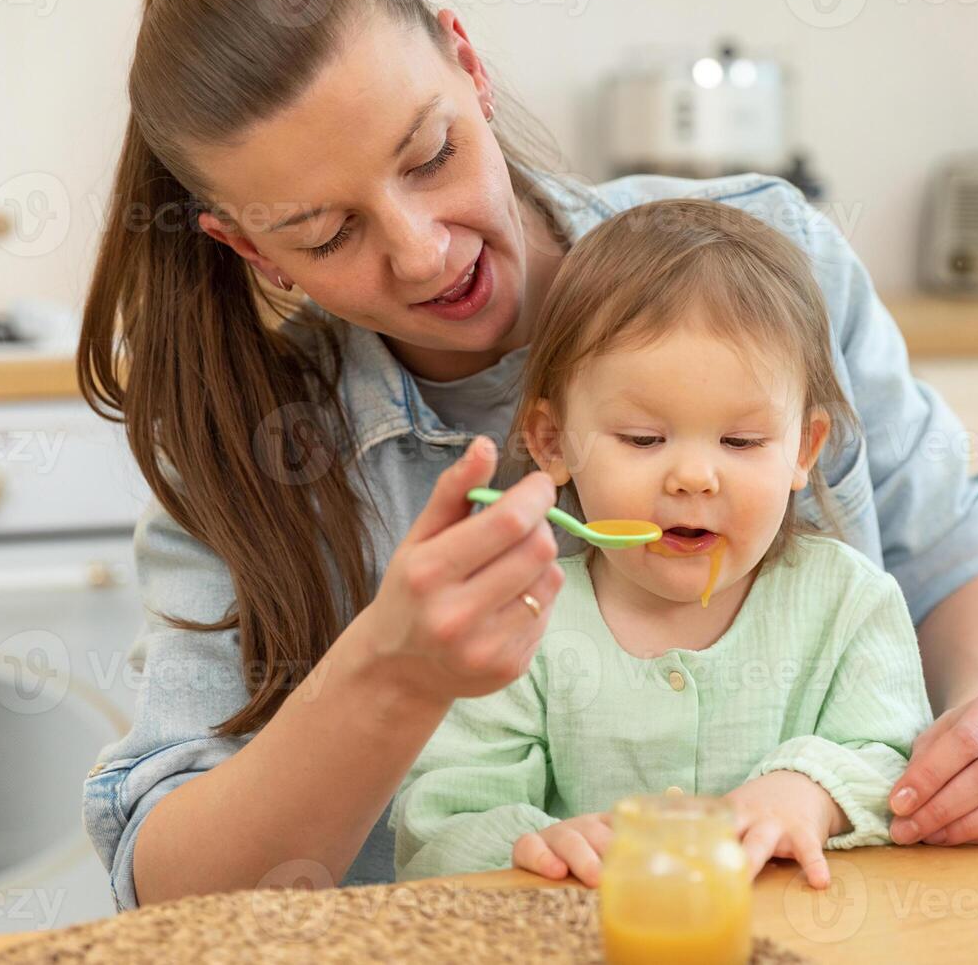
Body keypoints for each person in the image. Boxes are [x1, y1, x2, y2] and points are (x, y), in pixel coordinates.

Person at [79, 0, 978, 912]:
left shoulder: (770, 258)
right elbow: (174, 898)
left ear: (468, 65)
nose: (424, 251)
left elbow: (956, 559)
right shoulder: (243, 439)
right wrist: (387, 670)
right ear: (251, 248)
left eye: (430, 154)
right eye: (328, 232)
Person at [391, 198, 935, 890]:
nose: (694, 476)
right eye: (644, 440)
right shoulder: (519, 625)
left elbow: (896, 758)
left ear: (805, 448)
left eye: (741, 442)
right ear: (554, 443)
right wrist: (534, 843)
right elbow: (443, 826)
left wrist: (811, 789)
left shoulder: (850, 604)